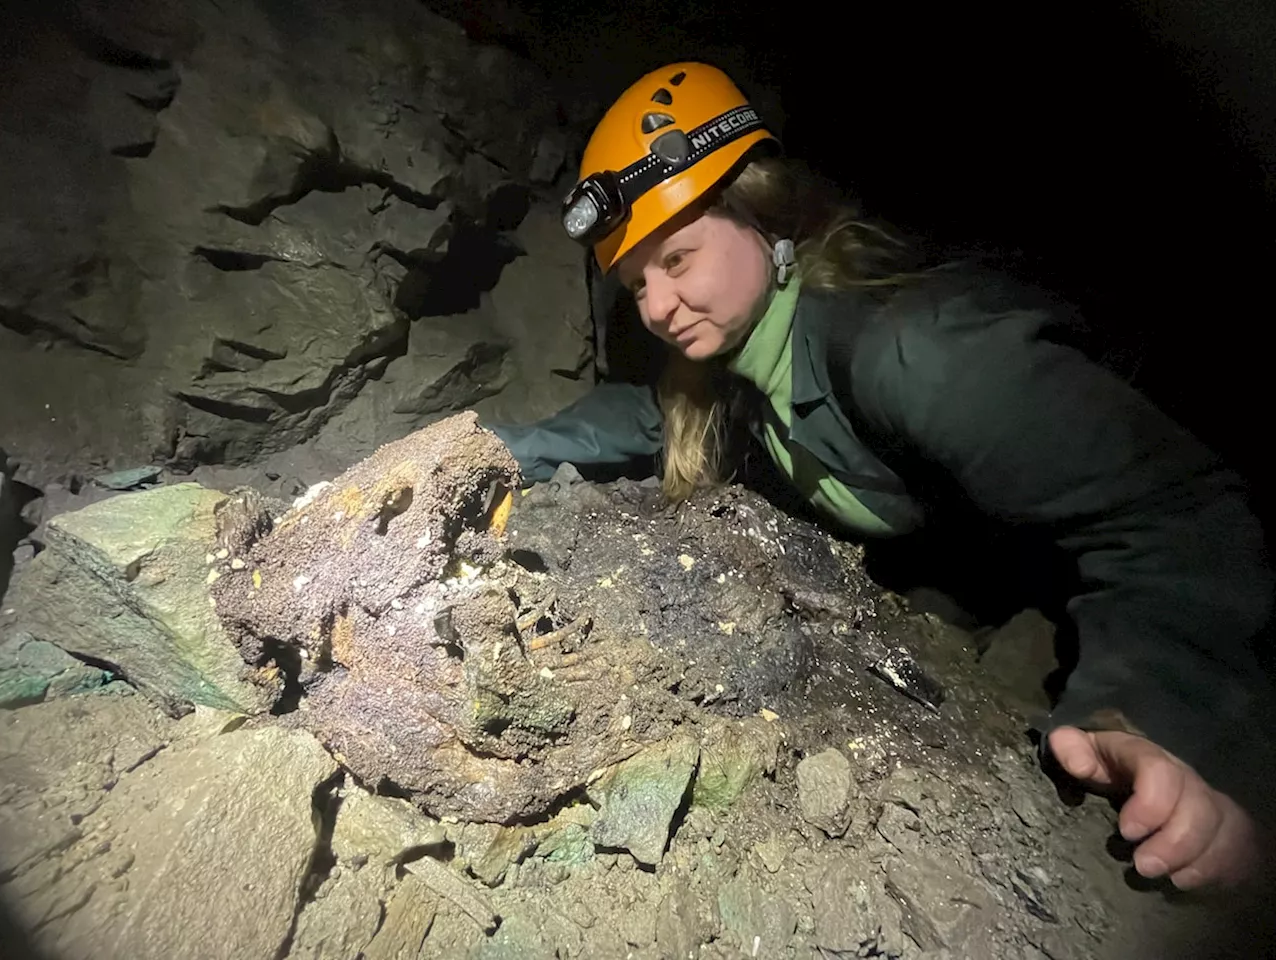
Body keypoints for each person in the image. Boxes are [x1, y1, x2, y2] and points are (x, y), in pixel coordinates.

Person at [490, 61, 1275, 889]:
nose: (654, 306)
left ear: (764, 214)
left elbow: (1178, 516)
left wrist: (1146, 714)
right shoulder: (740, 364)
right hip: (974, 580)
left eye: (677, 258)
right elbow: (642, 417)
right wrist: (489, 449)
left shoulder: (919, 353)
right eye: (638, 283)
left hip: (1088, 597)